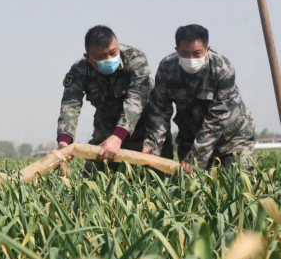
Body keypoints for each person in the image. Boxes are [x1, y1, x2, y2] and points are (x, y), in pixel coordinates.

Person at [57, 25, 172, 175]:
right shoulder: (79, 71)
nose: (109, 59)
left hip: (146, 129)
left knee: (158, 181)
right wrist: (65, 140)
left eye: (113, 52)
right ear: (88, 57)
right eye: (101, 57)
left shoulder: (135, 59)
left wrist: (118, 137)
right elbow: (70, 105)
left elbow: (136, 100)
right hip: (107, 130)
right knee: (94, 181)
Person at [142, 24, 255, 173]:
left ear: (207, 50)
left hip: (232, 137)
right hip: (190, 136)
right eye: (184, 53)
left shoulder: (222, 69)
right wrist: (151, 146)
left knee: (238, 182)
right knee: (190, 187)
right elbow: (160, 111)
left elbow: (216, 120)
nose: (191, 59)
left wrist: (194, 159)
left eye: (197, 53)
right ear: (176, 51)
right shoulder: (167, 68)